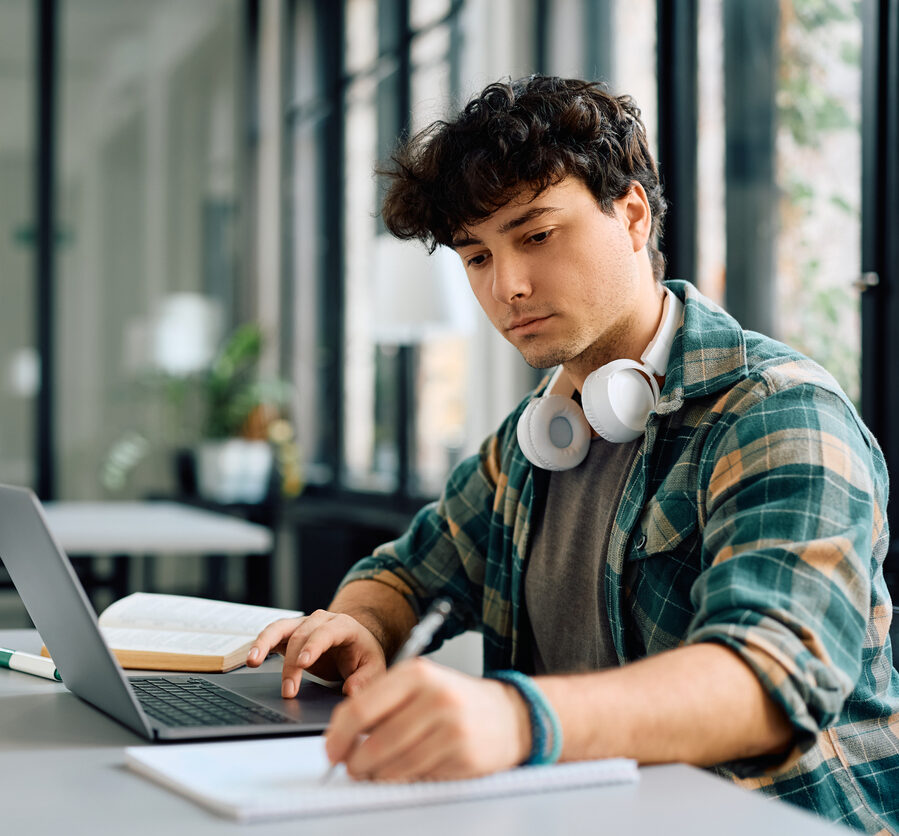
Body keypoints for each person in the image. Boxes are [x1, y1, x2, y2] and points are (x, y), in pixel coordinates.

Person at [246, 76, 898, 832]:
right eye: (476, 258)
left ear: (629, 216)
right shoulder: (536, 437)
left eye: (535, 235)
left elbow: (768, 680)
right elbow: (402, 571)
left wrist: (516, 719)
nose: (507, 288)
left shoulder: (777, 413)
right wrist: (360, 624)